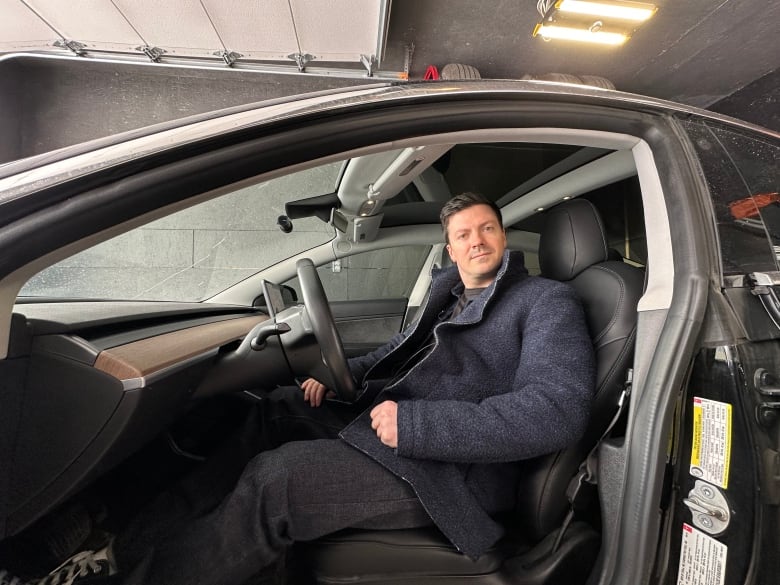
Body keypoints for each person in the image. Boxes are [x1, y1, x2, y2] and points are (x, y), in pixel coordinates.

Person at [10, 193, 595, 585]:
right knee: (267, 414)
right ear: (449, 248)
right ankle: (125, 543)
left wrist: (419, 426)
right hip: (394, 433)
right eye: (463, 234)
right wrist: (338, 376)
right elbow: (400, 356)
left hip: (451, 471)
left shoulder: (544, 303)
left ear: (503, 235)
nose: (476, 241)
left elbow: (555, 411)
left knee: (278, 478)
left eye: (486, 228)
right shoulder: (452, 292)